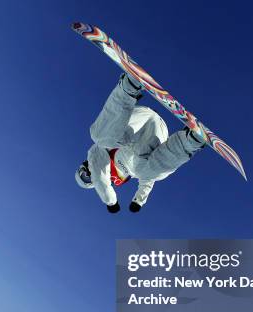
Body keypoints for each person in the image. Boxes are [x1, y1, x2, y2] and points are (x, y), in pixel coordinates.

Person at [75, 72, 206, 213]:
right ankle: (190, 141)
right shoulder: (117, 180)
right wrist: (138, 200)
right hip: (150, 143)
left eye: (83, 172)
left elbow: (102, 181)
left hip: (135, 128)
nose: (88, 173)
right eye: (87, 178)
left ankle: (128, 87)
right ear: (92, 184)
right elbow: (147, 179)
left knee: (99, 137)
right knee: (148, 173)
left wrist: (111, 203)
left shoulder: (95, 156)